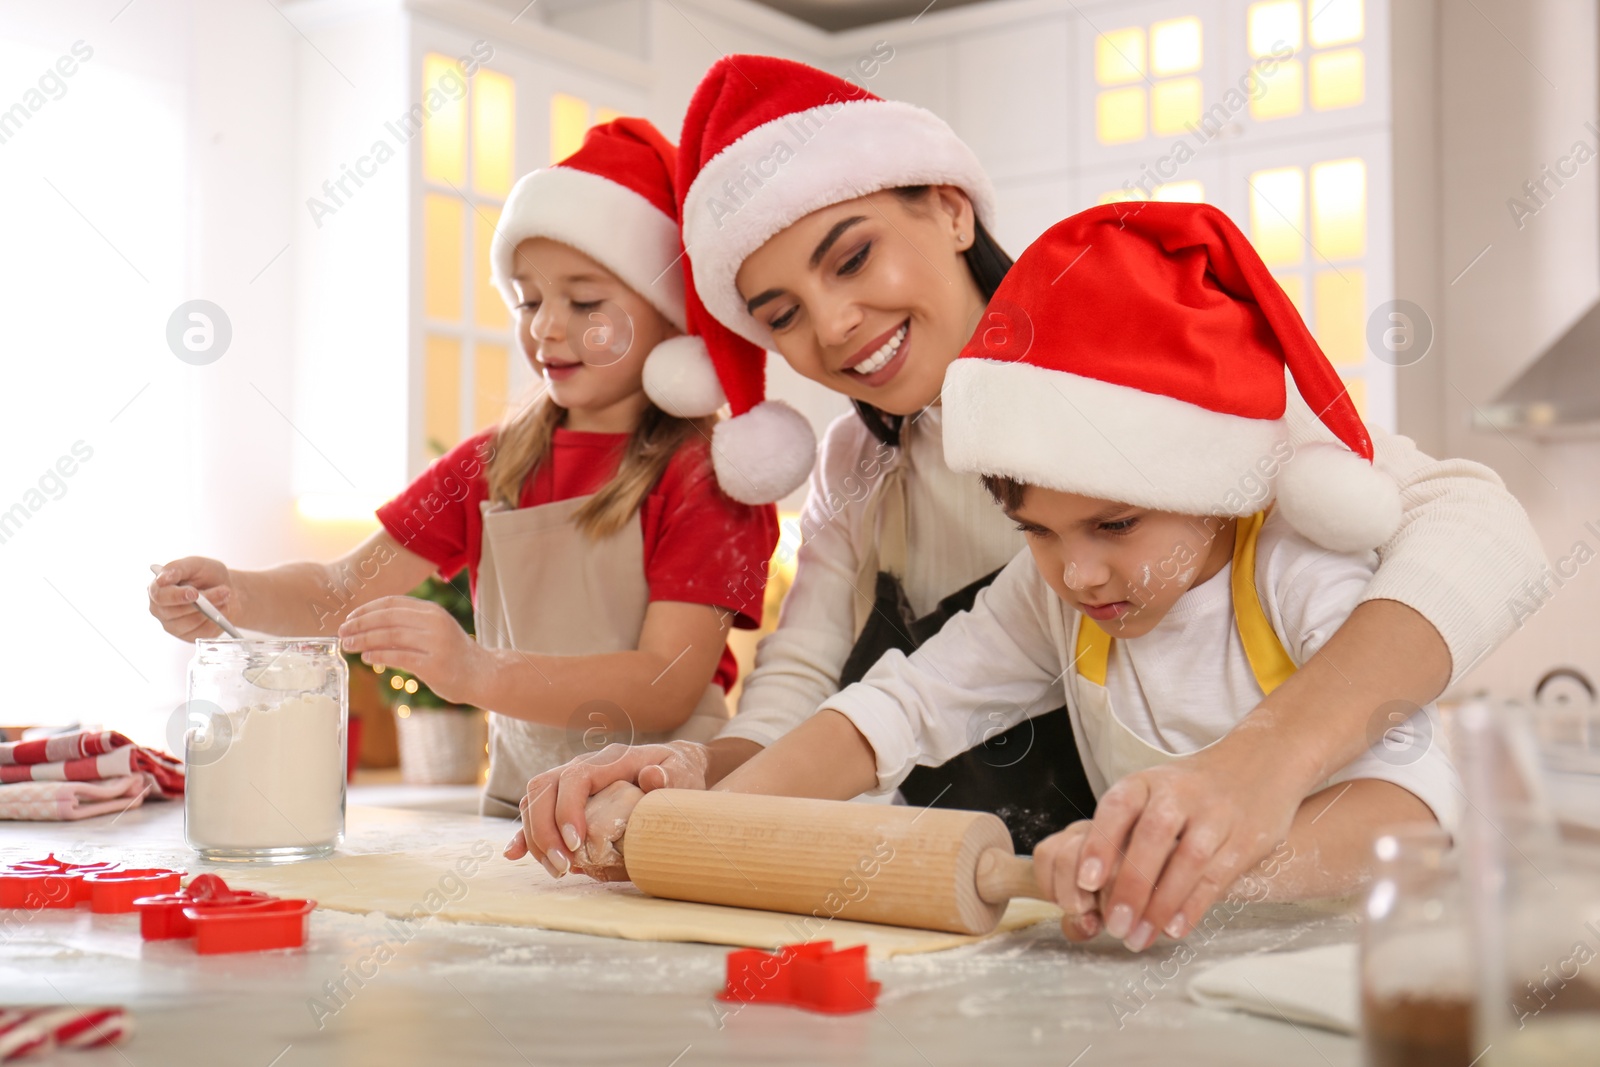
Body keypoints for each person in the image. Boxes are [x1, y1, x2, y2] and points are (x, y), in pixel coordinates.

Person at [509, 58, 1545, 928]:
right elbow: (858, 703)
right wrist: (692, 805)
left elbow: (1476, 541)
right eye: (780, 312)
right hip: (1074, 901)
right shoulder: (881, 488)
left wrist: (1252, 774)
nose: (829, 327)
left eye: (854, 255)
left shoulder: (1170, 388)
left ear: (950, 207)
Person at [694, 202, 1463, 952]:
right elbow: (901, 705)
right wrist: (704, 819)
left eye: (1117, 525)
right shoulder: (1050, 596)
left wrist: (1176, 865)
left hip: (1358, 969)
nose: (1081, 574)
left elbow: (1414, 805)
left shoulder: (1295, 575)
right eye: (1036, 532)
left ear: (1215, 486)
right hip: (1172, 974)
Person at [148, 119, 777, 836]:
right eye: (529, 300)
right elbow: (339, 592)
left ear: (668, 319)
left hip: (658, 813)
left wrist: (476, 669)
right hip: (519, 817)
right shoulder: (493, 465)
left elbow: (663, 685)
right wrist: (236, 594)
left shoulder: (703, 478)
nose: (544, 329)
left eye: (584, 300)